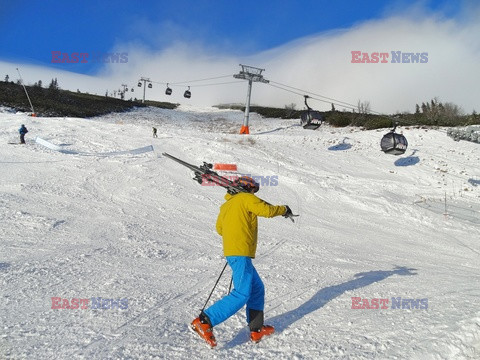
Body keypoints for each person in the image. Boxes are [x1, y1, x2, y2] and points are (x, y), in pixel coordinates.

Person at [191, 176, 293, 348]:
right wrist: (284, 209)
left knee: (257, 288)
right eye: (253, 189)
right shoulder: (246, 198)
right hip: (240, 253)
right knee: (242, 293)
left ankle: (256, 328)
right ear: (247, 188)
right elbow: (266, 211)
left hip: (234, 252)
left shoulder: (226, 205)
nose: (254, 193)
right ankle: (205, 320)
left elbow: (219, 229)